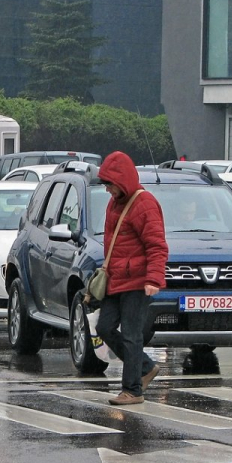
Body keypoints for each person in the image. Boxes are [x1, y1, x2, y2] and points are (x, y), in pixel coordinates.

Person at [94, 151, 169, 405]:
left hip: (137, 282)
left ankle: (133, 390)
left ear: (122, 181)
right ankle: (146, 367)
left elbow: (157, 245)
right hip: (116, 280)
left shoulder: (144, 203)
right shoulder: (115, 203)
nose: (107, 190)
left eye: (109, 185)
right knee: (104, 327)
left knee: (131, 334)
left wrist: (154, 279)